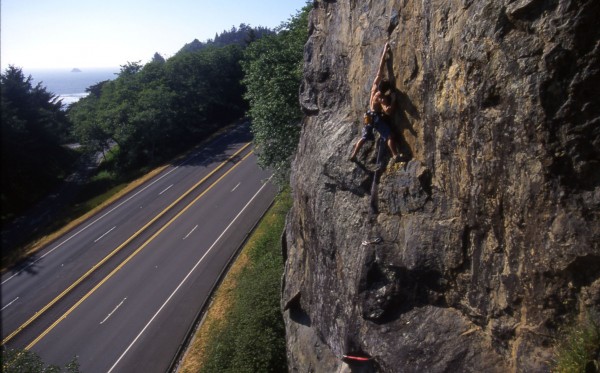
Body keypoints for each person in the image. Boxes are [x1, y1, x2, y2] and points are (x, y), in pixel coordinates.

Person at [350, 42, 402, 163]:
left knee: (364, 137)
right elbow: (388, 111)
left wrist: (384, 51)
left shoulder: (374, 86)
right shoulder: (381, 97)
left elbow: (380, 68)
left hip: (368, 115)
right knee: (389, 135)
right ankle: (395, 155)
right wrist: (393, 100)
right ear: (385, 91)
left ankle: (353, 155)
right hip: (376, 118)